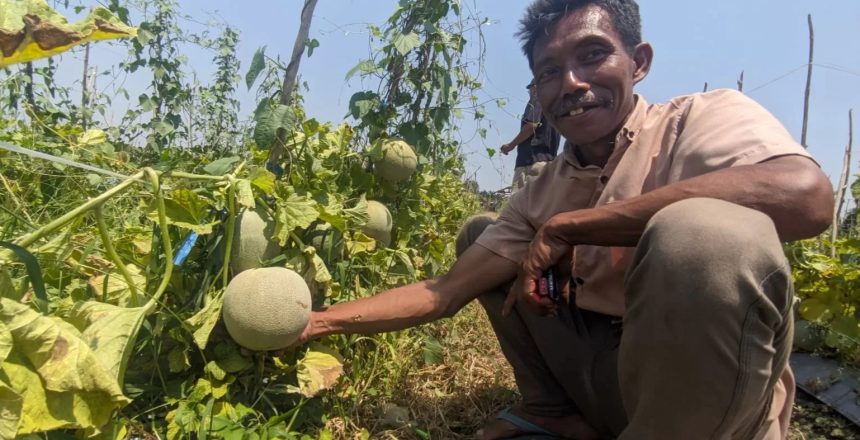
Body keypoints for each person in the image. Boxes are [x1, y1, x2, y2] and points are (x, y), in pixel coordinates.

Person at [291, 1, 834, 438]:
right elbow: (444, 292)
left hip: (702, 401)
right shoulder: (545, 187)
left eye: (593, 55)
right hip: (608, 381)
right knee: (481, 235)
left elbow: (804, 196)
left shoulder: (701, 118)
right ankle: (554, 411)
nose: (570, 83)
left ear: (638, 61)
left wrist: (574, 227)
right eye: (549, 72)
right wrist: (316, 323)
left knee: (703, 235)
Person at [501, 82, 561, 193]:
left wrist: (510, 145)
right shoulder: (556, 110)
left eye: (530, 90)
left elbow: (531, 125)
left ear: (535, 88)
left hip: (530, 163)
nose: (529, 93)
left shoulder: (538, 99)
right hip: (548, 166)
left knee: (518, 208)